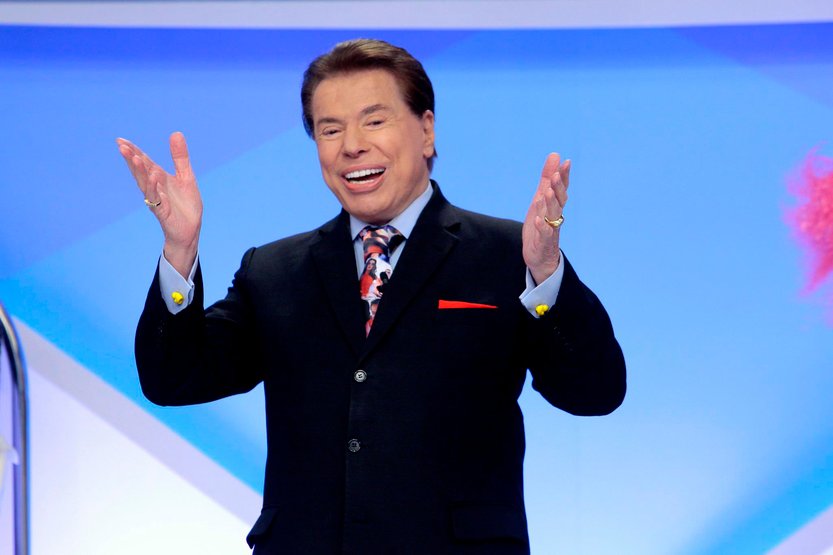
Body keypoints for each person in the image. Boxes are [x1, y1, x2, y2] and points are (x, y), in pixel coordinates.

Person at [117, 38, 626, 555]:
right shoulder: (273, 272)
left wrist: (546, 274)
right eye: (329, 129)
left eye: (374, 120)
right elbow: (173, 379)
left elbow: (595, 392)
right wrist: (180, 249)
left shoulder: (508, 254)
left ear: (426, 130)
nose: (352, 146)